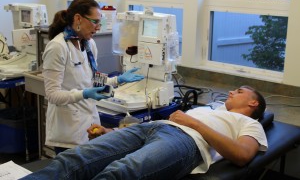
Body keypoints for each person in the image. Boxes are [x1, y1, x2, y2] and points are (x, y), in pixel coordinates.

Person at [21, 85, 267, 180]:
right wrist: (111, 131)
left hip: (187, 142)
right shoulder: (208, 108)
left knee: (119, 173)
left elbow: (243, 155)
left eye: (240, 91)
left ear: (253, 103)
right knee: (74, 160)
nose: (232, 92)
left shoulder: (250, 124)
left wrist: (194, 124)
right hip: (152, 129)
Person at [42, 0, 144, 154]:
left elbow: (93, 82)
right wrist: (84, 93)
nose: (98, 27)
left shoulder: (89, 44)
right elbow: (52, 95)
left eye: (100, 22)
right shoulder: (57, 47)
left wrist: (118, 79)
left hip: (90, 126)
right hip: (68, 131)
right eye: (95, 22)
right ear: (78, 19)